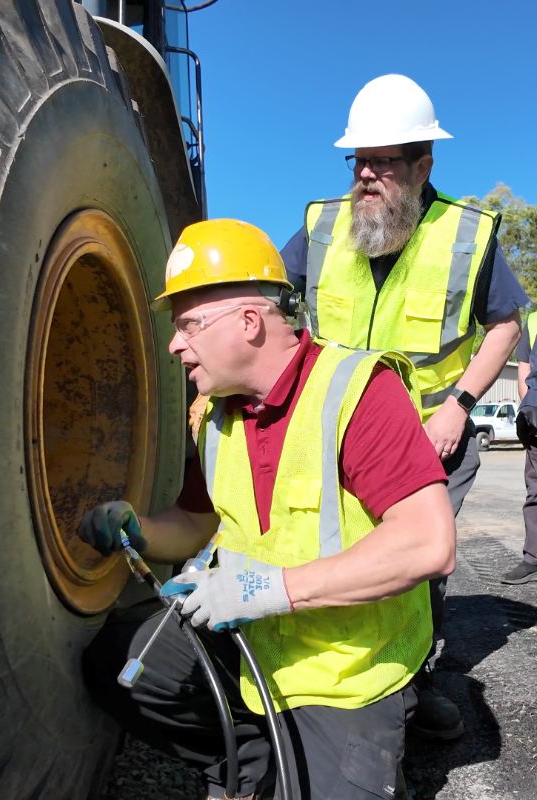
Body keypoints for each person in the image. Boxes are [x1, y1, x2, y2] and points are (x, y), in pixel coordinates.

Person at [80, 219, 456, 800]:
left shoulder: (358, 391)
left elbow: (428, 543)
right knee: (119, 667)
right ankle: (251, 764)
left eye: (187, 325)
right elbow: (195, 522)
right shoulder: (212, 414)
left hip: (342, 670)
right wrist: (140, 529)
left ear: (249, 322)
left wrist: (266, 590)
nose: (176, 344)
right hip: (254, 637)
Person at [280, 74, 527, 740]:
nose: (366, 175)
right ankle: (325, 680)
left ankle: (414, 688)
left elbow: (506, 322)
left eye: (383, 162)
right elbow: (273, 300)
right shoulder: (324, 228)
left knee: (418, 566)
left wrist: (460, 405)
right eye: (358, 161)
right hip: (335, 433)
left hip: (431, 433)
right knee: (332, 548)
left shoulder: (466, 235)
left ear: (423, 166)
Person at [505, 311, 537, 583]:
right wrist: (526, 407)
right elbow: (524, 366)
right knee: (535, 490)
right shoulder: (535, 320)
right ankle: (533, 558)